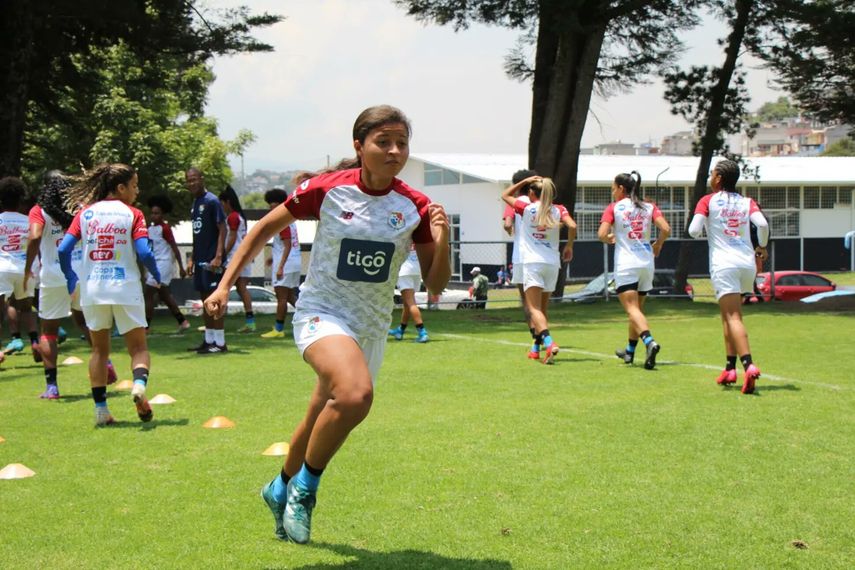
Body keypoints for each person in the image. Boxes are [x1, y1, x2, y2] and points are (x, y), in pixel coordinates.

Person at [204, 105, 450, 544]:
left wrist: (442, 238)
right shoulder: (327, 190)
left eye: (402, 144)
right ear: (359, 146)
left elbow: (435, 284)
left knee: (321, 412)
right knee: (355, 395)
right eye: (383, 142)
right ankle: (305, 490)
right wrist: (224, 286)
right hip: (322, 313)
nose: (395, 151)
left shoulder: (415, 207)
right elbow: (260, 229)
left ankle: (278, 486)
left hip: (371, 326)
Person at [57, 163, 162, 424]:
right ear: (120, 187)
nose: (137, 191)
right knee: (138, 348)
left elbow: (63, 249)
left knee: (99, 351)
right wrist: (155, 273)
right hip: (125, 286)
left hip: (93, 288)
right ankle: (138, 385)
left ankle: (101, 411)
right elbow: (145, 252)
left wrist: (70, 276)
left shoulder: (85, 214)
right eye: (135, 185)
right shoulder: (133, 214)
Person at [24, 171, 118, 398]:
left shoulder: (39, 211)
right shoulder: (80, 209)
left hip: (53, 276)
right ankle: (106, 363)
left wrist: (27, 268)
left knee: (48, 331)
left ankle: (52, 387)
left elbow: (35, 236)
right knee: (86, 322)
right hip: (80, 273)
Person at [688, 159, 769, 394]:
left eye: (712, 174)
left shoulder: (708, 200)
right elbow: (762, 224)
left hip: (724, 264)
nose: (710, 178)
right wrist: (761, 246)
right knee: (728, 316)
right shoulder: (747, 201)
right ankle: (729, 368)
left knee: (733, 317)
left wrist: (706, 225)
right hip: (746, 264)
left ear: (719, 179)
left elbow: (693, 231)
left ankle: (748, 365)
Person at [598, 171, 671, 370]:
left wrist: (609, 238)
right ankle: (629, 352)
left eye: (614, 188)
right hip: (646, 263)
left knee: (631, 309)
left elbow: (602, 233)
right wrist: (658, 245)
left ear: (621, 189)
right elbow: (665, 229)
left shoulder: (614, 207)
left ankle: (650, 342)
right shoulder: (649, 206)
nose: (613, 192)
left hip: (626, 264)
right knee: (636, 310)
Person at [501, 175, 575, 364]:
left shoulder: (526, 208)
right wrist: (569, 246)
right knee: (542, 309)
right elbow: (572, 225)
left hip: (532, 262)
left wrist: (524, 182)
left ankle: (549, 343)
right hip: (552, 263)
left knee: (533, 308)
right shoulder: (558, 209)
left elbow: (505, 194)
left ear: (531, 193)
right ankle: (536, 349)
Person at [185, 168, 227, 353]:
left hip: (212, 260)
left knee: (214, 300)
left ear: (202, 179)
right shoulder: (195, 203)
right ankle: (209, 340)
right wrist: (192, 259)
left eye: (194, 179)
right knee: (204, 300)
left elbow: (222, 228)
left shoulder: (212, 200)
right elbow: (197, 234)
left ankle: (220, 343)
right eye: (189, 180)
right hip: (200, 258)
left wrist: (218, 256)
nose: (192, 183)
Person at [0, 177, 39, 362]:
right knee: (26, 306)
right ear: (20, 200)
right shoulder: (29, 222)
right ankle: (34, 342)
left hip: (2, 268)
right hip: (25, 268)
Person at [502, 170, 538, 350]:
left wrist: (510, 229)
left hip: (520, 257)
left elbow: (508, 224)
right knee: (540, 301)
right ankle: (541, 334)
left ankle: (535, 334)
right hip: (542, 256)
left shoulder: (515, 203)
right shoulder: (539, 203)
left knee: (526, 300)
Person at [144, 195, 190, 333]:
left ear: (162, 214)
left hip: (163, 264)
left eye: (157, 213)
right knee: (164, 295)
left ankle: (146, 326)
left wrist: (181, 267)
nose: (154, 216)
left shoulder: (165, 228)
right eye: (152, 213)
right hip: (154, 264)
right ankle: (182, 321)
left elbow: (174, 247)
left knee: (149, 293)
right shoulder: (150, 229)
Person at [260, 187, 300, 339]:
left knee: (281, 298)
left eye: (273, 203)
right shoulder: (291, 219)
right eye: (269, 203)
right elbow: (285, 243)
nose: (271, 206)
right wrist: (273, 258)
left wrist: (281, 266)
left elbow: (288, 244)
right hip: (294, 261)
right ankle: (310, 318)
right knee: (290, 297)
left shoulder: (281, 220)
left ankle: (278, 329)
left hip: (287, 264)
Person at [219, 185, 255, 333]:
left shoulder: (233, 217)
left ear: (227, 202)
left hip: (235, 257)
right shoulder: (238, 216)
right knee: (240, 289)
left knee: (227, 287)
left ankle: (218, 321)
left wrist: (222, 253)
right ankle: (249, 321)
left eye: (222, 203)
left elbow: (232, 238)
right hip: (241, 257)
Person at [388, 243, 429, 342]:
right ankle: (400, 330)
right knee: (407, 303)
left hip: (404, 271)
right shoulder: (416, 235)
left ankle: (422, 332)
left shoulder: (402, 235)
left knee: (410, 302)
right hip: (416, 271)